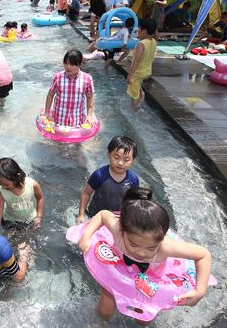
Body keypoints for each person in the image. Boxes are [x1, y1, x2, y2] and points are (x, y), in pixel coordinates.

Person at [78, 188, 212, 325]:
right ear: (123, 232)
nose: (141, 253)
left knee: (143, 319)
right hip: (118, 270)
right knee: (104, 310)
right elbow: (102, 215)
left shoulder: (165, 247)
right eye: (133, 244)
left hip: (150, 278)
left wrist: (200, 290)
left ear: (160, 240)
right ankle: (101, 323)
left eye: (151, 248)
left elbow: (203, 255)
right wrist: (86, 236)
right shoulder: (118, 230)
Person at [76, 136, 140, 224]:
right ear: (109, 154)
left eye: (126, 160)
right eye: (116, 157)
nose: (120, 163)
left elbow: (134, 201)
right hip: (95, 216)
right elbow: (86, 193)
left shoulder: (133, 180)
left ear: (133, 160)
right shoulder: (99, 175)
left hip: (118, 219)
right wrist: (81, 215)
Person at [44, 49, 95, 127]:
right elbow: (50, 95)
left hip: (77, 120)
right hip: (58, 118)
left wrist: (89, 115)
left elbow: (89, 97)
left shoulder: (87, 78)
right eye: (66, 63)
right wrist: (47, 112)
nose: (68, 67)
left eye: (72, 64)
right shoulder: (58, 77)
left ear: (80, 64)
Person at [0, 158, 44, 230]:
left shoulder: (32, 184)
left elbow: (40, 198)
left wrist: (39, 216)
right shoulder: (2, 193)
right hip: (10, 220)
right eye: (0, 184)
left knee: (30, 236)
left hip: (30, 219)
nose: (3, 187)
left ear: (17, 176)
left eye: (6, 184)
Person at [126, 19, 157, 109]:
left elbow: (137, 60)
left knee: (133, 93)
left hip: (138, 72)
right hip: (147, 70)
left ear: (144, 31)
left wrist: (130, 75)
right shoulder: (153, 42)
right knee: (137, 85)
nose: (138, 31)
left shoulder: (141, 44)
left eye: (139, 29)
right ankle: (141, 93)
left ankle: (134, 109)